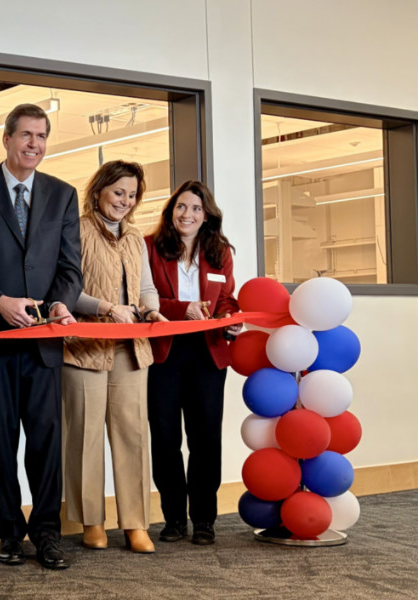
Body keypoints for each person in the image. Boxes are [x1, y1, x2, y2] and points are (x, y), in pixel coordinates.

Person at [0, 103, 80, 570]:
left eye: (41, 136)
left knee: (46, 442)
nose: (34, 145)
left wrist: (62, 302)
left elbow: (69, 268)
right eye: (25, 135)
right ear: (5, 139)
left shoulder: (63, 195)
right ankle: (9, 533)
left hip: (43, 343)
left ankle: (47, 533)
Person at [61, 159, 166, 554]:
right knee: (84, 436)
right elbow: (65, 290)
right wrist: (106, 307)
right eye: (118, 192)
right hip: (84, 348)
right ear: (100, 190)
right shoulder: (76, 229)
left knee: (133, 435)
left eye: (132, 195)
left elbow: (146, 287)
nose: (124, 201)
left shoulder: (136, 237)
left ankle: (136, 524)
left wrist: (152, 310)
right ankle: (92, 521)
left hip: (131, 350)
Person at [145, 180, 239, 545]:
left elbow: (227, 298)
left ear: (207, 215)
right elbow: (143, 299)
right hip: (164, 352)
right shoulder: (150, 248)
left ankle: (203, 519)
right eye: (181, 207)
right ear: (171, 211)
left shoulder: (220, 251)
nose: (188, 214)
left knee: (205, 439)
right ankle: (173, 519)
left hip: (207, 353)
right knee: (166, 438)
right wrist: (181, 309)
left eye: (196, 209)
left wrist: (232, 319)